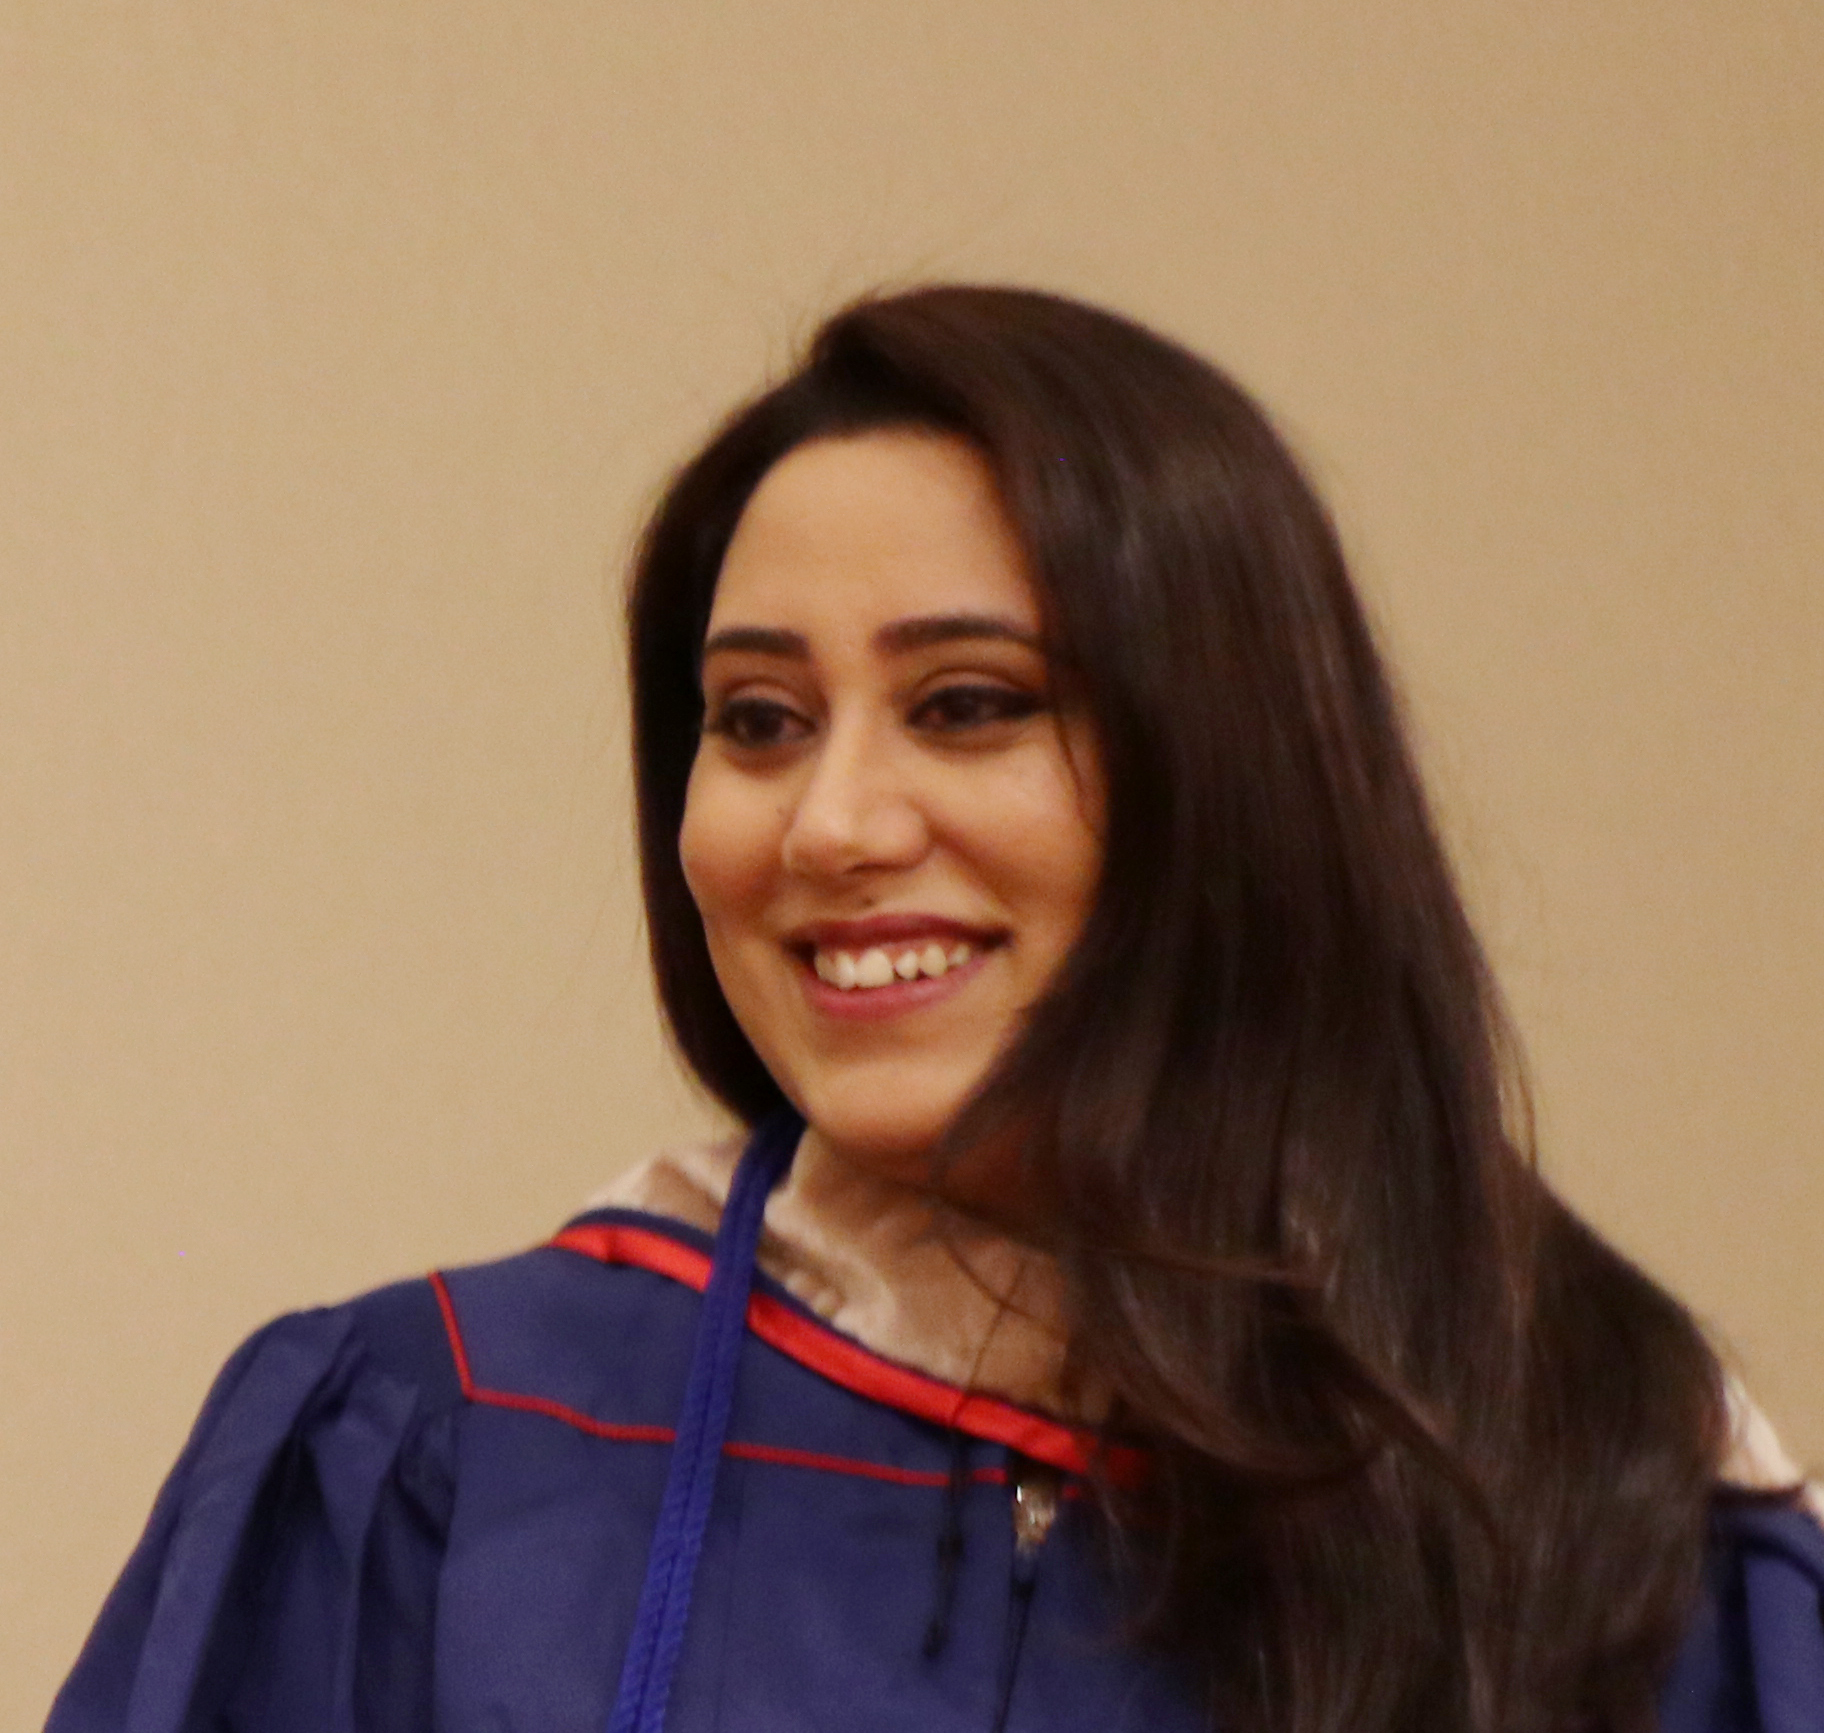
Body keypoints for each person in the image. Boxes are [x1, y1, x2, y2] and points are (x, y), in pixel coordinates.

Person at [49, 287, 1823, 1733]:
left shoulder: (1609, 1498)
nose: (831, 824)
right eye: (757, 720)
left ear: (1240, 781)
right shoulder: (446, 1447)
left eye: (968, 704)